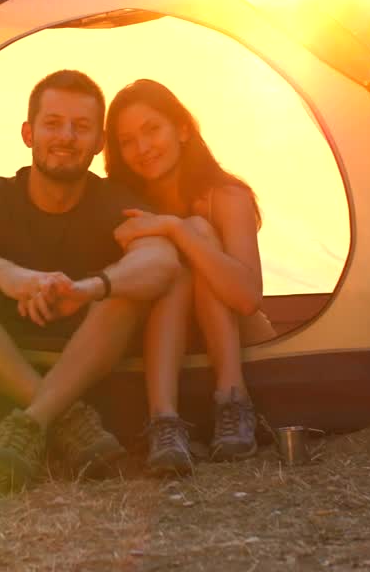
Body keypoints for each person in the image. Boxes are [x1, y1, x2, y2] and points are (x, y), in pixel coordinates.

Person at [0, 69, 179, 492]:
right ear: (28, 133)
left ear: (99, 143)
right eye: (53, 123)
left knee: (129, 289)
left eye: (81, 127)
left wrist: (90, 287)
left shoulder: (115, 202)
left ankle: (33, 421)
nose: (66, 137)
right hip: (6, 352)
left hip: (90, 356)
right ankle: (66, 418)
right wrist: (7, 275)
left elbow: (162, 261)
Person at [104, 78, 273, 476]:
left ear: (181, 129)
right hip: (166, 338)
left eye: (152, 129)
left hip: (240, 333)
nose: (143, 148)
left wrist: (176, 229)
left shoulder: (226, 197)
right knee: (172, 267)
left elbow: (248, 298)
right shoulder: (123, 204)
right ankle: (164, 422)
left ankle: (233, 400)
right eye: (127, 141)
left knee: (196, 231)